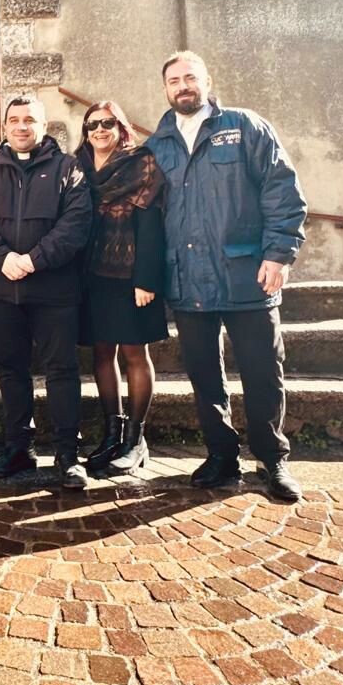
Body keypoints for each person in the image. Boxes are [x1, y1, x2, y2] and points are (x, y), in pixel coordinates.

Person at [147, 51, 308, 503]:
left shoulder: (245, 127)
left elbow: (283, 191)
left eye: (190, 77)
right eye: (174, 79)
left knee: (262, 373)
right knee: (204, 376)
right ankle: (221, 456)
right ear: (165, 89)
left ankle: (272, 459)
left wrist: (279, 254)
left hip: (247, 277)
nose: (183, 86)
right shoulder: (157, 144)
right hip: (188, 281)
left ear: (206, 81)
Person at [0, 94, 93, 489]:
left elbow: (76, 224)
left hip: (53, 290)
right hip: (1, 291)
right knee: (11, 371)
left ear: (43, 127)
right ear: (4, 127)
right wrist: (2, 257)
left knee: (61, 371)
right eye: (14, 120)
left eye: (30, 120)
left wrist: (35, 259)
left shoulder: (68, 169)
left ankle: (67, 454)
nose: (22, 127)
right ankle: (18, 447)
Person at [75, 100, 168, 477]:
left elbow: (151, 225)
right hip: (91, 275)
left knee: (133, 354)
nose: (99, 130)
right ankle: (111, 435)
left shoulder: (141, 164)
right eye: (92, 124)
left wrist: (146, 278)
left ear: (121, 127)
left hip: (131, 276)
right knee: (101, 354)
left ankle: (135, 440)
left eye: (107, 123)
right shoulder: (77, 166)